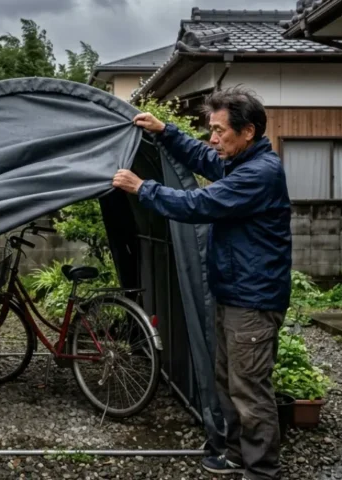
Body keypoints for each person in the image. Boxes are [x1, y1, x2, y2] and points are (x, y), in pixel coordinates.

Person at [112, 86, 291, 480]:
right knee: (227, 381)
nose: (213, 139)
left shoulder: (259, 174)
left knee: (250, 390)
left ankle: (262, 471)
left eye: (219, 131)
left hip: (253, 300)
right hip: (234, 292)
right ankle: (233, 454)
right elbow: (204, 158)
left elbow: (199, 205)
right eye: (211, 129)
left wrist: (143, 188)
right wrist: (164, 131)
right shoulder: (239, 161)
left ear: (248, 131)